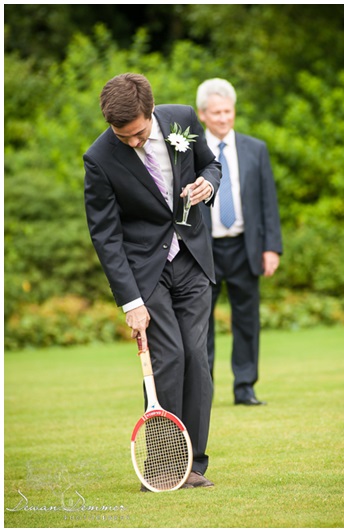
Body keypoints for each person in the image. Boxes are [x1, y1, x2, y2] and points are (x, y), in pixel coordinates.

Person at [84, 73, 220, 490]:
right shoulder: (99, 157)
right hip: (147, 272)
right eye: (121, 136)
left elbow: (210, 164)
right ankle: (163, 466)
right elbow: (105, 235)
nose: (131, 142)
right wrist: (130, 301)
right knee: (168, 359)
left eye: (138, 133)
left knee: (197, 357)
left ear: (152, 112)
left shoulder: (182, 119)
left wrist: (208, 185)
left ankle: (193, 465)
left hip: (194, 260)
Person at [196, 78, 283, 406]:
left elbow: (268, 202)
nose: (222, 118)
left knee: (247, 321)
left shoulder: (255, 149)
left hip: (245, 246)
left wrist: (271, 247)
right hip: (204, 250)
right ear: (203, 115)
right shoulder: (191, 151)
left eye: (227, 111)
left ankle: (245, 386)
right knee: (201, 322)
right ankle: (205, 389)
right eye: (215, 112)